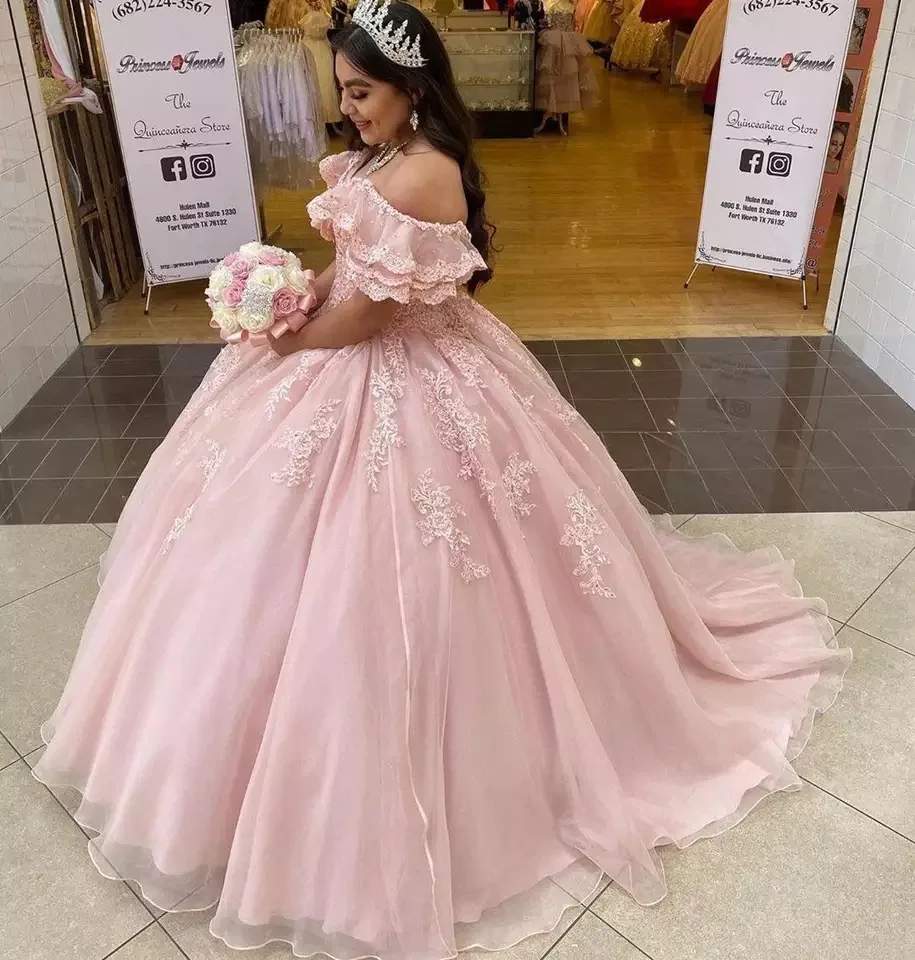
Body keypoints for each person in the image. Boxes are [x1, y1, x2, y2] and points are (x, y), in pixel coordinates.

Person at [33, 1, 850, 957]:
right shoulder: (383, 154)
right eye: (343, 91)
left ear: (411, 87)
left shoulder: (424, 171)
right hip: (363, 339)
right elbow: (351, 271)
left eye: (361, 92)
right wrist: (290, 292)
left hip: (400, 362)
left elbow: (374, 317)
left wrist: (288, 334)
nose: (348, 109)